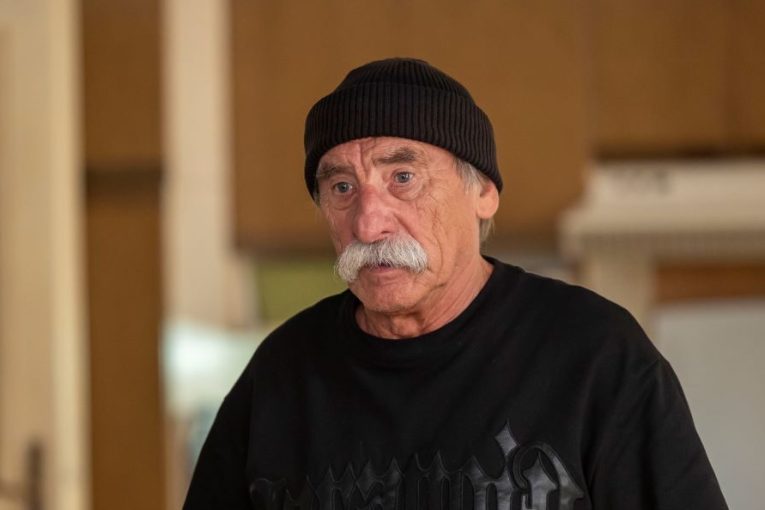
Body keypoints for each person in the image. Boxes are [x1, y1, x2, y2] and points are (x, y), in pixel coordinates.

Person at [183, 58, 727, 510]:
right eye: (342, 187)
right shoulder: (280, 376)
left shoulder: (594, 353)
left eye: (403, 178)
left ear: (483, 193)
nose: (368, 224)